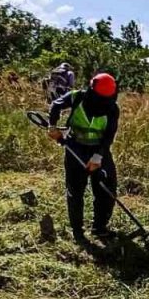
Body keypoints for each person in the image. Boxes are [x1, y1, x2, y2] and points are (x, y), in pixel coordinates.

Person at [48, 73, 120, 242]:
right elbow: (55, 105)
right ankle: (77, 231)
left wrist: (98, 157)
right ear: (91, 90)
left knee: (106, 189)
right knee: (75, 191)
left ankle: (100, 228)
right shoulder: (76, 97)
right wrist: (52, 126)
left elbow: (109, 136)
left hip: (99, 150)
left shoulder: (112, 108)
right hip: (75, 147)